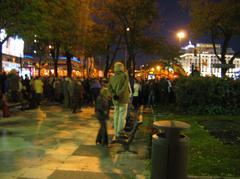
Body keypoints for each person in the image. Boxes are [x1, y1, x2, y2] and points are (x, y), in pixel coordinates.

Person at [108, 62, 130, 140]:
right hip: (123, 99)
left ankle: (116, 132)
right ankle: (119, 133)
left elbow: (109, 89)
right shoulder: (124, 76)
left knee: (116, 115)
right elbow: (125, 87)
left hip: (115, 100)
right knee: (122, 116)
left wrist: (114, 95)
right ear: (122, 67)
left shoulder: (112, 77)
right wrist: (118, 94)